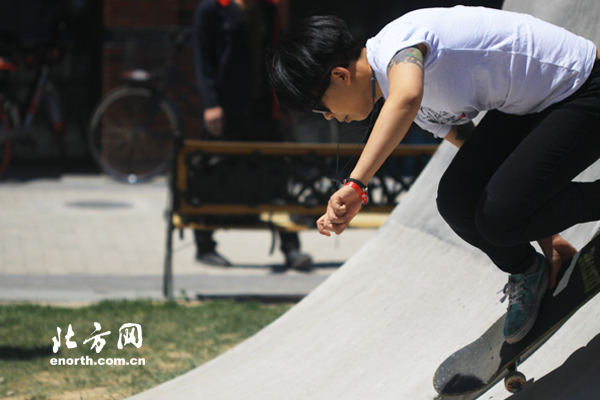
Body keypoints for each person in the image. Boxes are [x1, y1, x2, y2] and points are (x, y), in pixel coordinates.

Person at [267, 6, 600, 343]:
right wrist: (547, 234)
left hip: (583, 87)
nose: (328, 118)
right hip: (530, 108)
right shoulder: (411, 98)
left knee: (497, 219)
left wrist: (357, 184)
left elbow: (406, 97)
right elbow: (483, 161)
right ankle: (529, 271)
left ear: (340, 76)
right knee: (458, 200)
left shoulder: (399, 45)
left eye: (321, 107)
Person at [192, 0, 312, 270]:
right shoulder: (212, 9)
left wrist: (285, 101)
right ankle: (204, 245)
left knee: (276, 174)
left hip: (261, 108)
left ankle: (291, 248)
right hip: (224, 110)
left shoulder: (267, 10)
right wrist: (210, 103)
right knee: (212, 174)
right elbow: (202, 60)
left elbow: (275, 58)